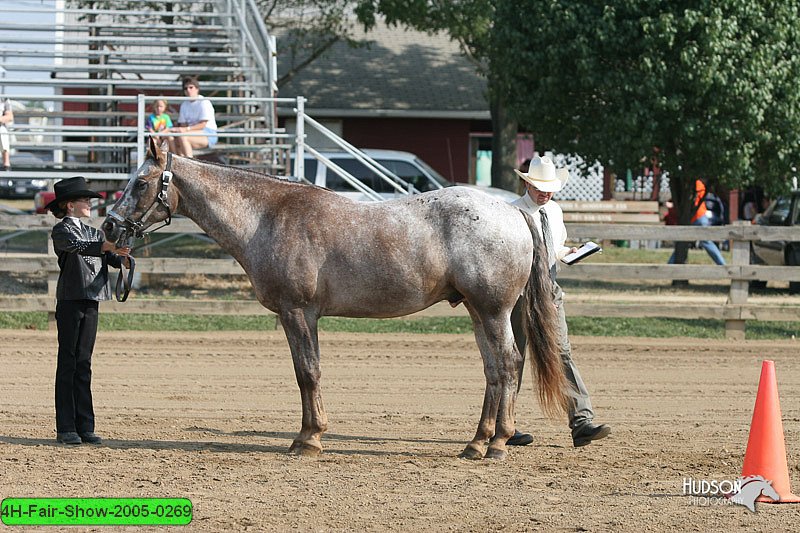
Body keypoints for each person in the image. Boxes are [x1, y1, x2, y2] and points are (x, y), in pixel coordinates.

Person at [507, 156, 611, 448]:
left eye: (550, 187)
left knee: (562, 352)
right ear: (527, 182)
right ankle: (505, 424)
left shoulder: (554, 211)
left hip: (549, 286)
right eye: (540, 186)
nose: (546, 192)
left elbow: (555, 247)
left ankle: (581, 422)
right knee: (514, 355)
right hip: (520, 289)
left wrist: (571, 252)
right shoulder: (511, 213)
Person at [46, 176, 132, 445]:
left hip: (91, 299)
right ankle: (66, 427)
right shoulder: (62, 232)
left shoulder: (95, 233)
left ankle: (85, 425)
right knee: (68, 361)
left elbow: (107, 256)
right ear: (70, 205)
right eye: (85, 200)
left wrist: (123, 256)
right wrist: (108, 247)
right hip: (71, 300)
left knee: (84, 363)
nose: (89, 204)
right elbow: (81, 248)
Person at [667, 179, 726, 265]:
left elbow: (692, 202)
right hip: (694, 218)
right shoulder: (694, 184)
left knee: (704, 241)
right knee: (682, 243)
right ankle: (670, 264)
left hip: (698, 217)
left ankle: (722, 264)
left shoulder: (695, 184)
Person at [166, 76, 217, 157]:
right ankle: (178, 163)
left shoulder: (204, 102)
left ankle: (189, 165)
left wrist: (185, 129)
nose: (188, 90)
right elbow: (183, 125)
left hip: (208, 133)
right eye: (186, 88)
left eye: (191, 87)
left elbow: (202, 125)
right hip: (191, 132)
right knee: (170, 139)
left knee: (182, 137)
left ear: (197, 89)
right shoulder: (184, 104)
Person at [0, 97, 14, 170]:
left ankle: (6, 164)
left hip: (0, 126)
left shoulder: (4, 98)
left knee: (2, 131)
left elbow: (9, 117)